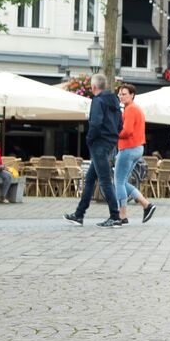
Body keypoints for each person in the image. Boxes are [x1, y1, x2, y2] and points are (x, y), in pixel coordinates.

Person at [64, 73, 123, 227]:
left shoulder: (98, 100)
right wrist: (113, 137)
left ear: (94, 86)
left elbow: (96, 123)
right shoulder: (114, 100)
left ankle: (115, 216)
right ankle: (79, 214)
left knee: (105, 181)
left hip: (99, 143)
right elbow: (120, 124)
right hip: (110, 142)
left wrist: (90, 139)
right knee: (90, 179)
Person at [113, 84, 156, 223]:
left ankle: (122, 216)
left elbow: (127, 131)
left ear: (132, 95)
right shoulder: (135, 108)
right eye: (120, 94)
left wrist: (113, 134)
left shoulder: (130, 109)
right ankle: (147, 205)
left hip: (128, 148)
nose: (121, 96)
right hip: (137, 148)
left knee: (118, 182)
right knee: (123, 182)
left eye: (124, 94)